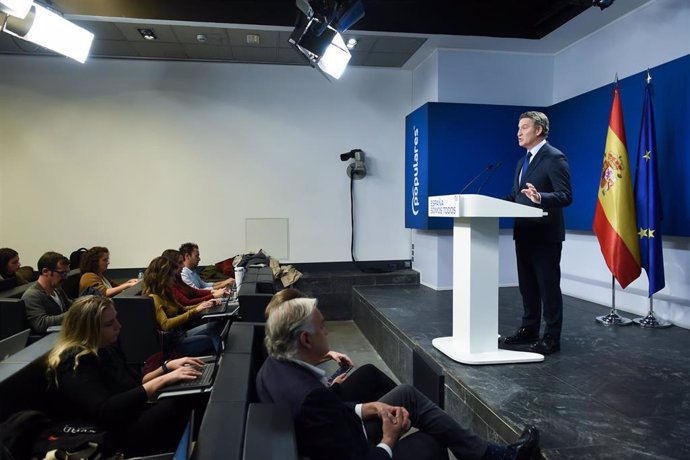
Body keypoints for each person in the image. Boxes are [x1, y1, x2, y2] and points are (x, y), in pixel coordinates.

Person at [257, 297, 540, 460]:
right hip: (358, 449)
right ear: (306, 339)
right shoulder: (309, 397)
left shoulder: (273, 367)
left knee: (406, 394)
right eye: (322, 328)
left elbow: (326, 416)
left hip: (342, 433)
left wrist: (365, 408)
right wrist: (390, 439)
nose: (328, 333)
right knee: (430, 444)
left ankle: (488, 456)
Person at [46, 295, 204, 457]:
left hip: (126, 418)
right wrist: (163, 380)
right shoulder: (74, 361)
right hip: (107, 434)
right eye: (109, 324)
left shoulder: (105, 347)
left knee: (189, 394)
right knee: (180, 404)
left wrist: (167, 367)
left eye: (115, 319)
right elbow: (105, 411)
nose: (118, 326)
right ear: (88, 329)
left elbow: (136, 382)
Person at [503, 111, 572, 355]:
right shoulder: (522, 162)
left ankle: (552, 337)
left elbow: (565, 196)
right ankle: (529, 329)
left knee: (548, 286)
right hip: (524, 232)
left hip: (545, 234)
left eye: (524, 127)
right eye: (518, 128)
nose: (518, 132)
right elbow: (515, 196)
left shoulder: (554, 157)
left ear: (539, 130)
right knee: (528, 286)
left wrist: (540, 197)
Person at [266, 288, 397, 403]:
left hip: (329, 397)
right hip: (332, 401)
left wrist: (327, 355)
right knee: (380, 381)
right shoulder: (308, 393)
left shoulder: (275, 355)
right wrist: (334, 387)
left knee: (379, 392)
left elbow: (297, 360)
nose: (326, 332)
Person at [142, 256, 221, 356]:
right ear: (163, 277)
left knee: (214, 326)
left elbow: (183, 309)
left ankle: (222, 357)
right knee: (209, 338)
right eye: (171, 276)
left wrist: (203, 305)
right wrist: (195, 310)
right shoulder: (154, 298)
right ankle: (222, 359)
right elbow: (166, 325)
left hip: (181, 335)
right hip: (174, 344)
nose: (174, 279)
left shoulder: (166, 293)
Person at [22, 252, 73, 334]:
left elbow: (71, 305)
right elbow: (41, 324)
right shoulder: (32, 296)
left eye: (67, 273)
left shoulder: (57, 289)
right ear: (45, 271)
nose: (66, 277)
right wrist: (75, 313)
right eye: (62, 273)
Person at [161, 249, 228, 306]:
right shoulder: (169, 283)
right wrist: (213, 295)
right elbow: (187, 302)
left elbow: (194, 291)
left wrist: (213, 292)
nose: (183, 265)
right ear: (171, 265)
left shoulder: (178, 277)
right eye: (180, 262)